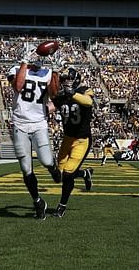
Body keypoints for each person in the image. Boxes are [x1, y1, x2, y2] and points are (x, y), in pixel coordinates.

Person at [7, 50, 61, 220]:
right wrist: (24, 62)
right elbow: (18, 86)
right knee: (26, 168)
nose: (38, 59)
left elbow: (54, 94)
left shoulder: (48, 73)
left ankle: (53, 167)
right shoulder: (16, 68)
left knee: (45, 160)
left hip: (39, 123)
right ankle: (38, 202)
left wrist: (56, 71)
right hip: (20, 123)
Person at [51, 67, 95, 218]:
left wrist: (73, 93)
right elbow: (52, 105)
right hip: (67, 138)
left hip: (82, 140)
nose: (66, 83)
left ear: (76, 79)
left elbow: (88, 102)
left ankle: (61, 206)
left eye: (68, 79)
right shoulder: (62, 95)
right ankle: (85, 173)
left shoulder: (84, 89)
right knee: (59, 176)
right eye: (63, 80)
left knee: (69, 174)